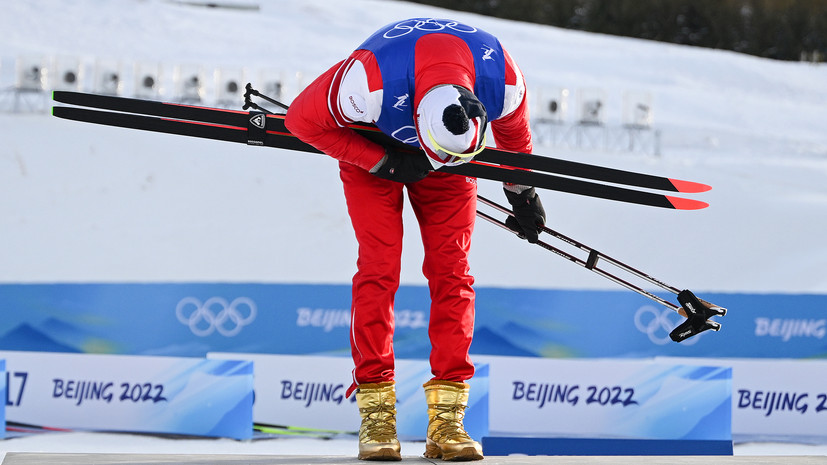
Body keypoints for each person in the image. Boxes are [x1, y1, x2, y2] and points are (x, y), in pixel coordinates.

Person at [285, 17, 545, 462]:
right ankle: (377, 413)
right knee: (379, 268)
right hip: (371, 149)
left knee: (453, 274)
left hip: (453, 168)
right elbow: (301, 121)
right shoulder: (366, 82)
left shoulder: (502, 78)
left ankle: (448, 420)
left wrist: (521, 192)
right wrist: (380, 161)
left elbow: (515, 138)